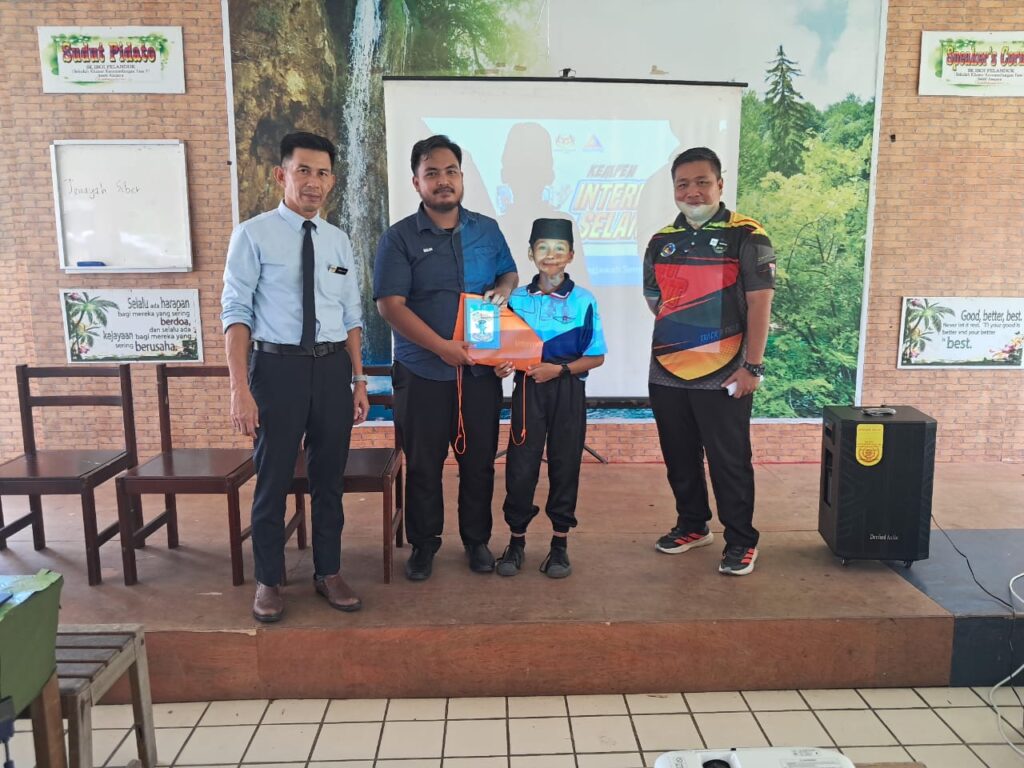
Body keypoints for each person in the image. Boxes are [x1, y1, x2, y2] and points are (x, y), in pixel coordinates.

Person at [221, 131, 370, 621]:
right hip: (276, 369)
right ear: (281, 175)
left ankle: (329, 571)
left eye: (322, 173)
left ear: (332, 181)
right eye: (303, 170)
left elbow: (351, 316)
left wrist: (359, 380)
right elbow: (236, 313)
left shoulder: (338, 240)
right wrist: (240, 389)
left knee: (329, 479)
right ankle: (269, 580)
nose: (313, 182)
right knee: (274, 478)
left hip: (331, 370)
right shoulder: (253, 234)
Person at [374, 134, 518, 581]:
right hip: (422, 372)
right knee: (424, 464)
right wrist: (442, 347)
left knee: (479, 463)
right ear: (416, 182)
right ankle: (424, 544)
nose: (443, 180)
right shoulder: (398, 238)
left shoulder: (487, 229)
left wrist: (504, 289)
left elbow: (508, 272)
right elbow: (390, 306)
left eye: (450, 171)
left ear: (461, 177)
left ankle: (476, 540)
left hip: (479, 373)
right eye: (431, 173)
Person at [643, 146, 775, 576]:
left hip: (726, 370)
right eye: (683, 184)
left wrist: (752, 366)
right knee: (678, 455)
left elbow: (760, 303)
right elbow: (655, 301)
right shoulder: (661, 240)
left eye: (702, 182)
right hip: (667, 370)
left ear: (719, 183)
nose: (692, 191)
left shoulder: (747, 235)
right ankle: (692, 525)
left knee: (728, 459)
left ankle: (741, 540)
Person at [494, 218, 606, 579]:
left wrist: (558, 370)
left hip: (568, 390)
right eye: (542, 247)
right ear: (531, 253)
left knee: (565, 463)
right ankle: (516, 541)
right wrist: (501, 366)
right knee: (520, 465)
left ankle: (559, 545)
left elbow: (596, 357)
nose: (551, 255)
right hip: (528, 390)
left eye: (559, 249)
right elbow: (501, 349)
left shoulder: (584, 300)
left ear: (570, 255)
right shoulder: (516, 299)